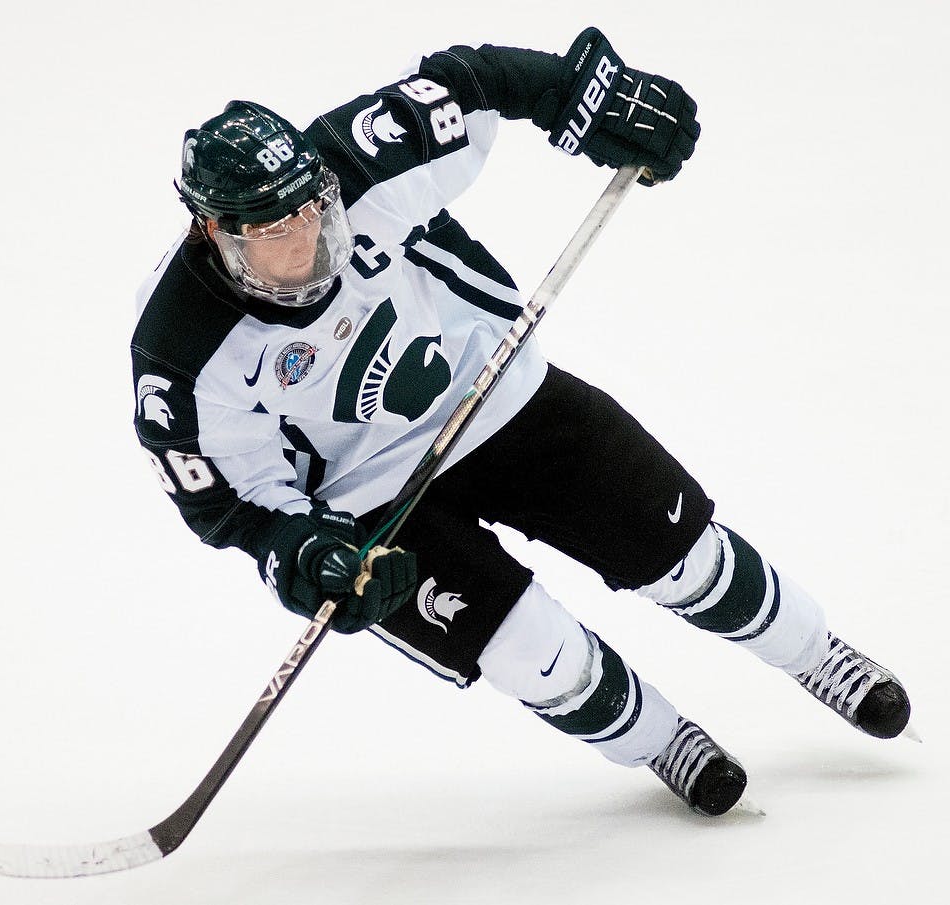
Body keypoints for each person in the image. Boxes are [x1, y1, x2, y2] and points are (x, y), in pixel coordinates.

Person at [133, 26, 911, 817]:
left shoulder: (355, 160)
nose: (305, 241)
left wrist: (578, 93)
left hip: (493, 389)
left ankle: (818, 654)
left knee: (679, 550)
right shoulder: (179, 353)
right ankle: (661, 741)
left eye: (310, 212)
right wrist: (303, 552)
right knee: (531, 652)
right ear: (213, 231)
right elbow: (230, 496)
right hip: (367, 498)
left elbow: (467, 82)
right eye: (271, 233)